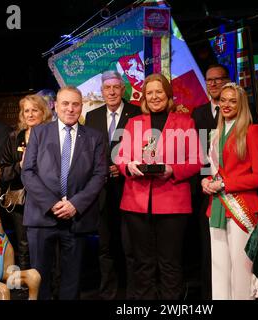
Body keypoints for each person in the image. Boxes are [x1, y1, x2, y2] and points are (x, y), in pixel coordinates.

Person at [116, 73, 202, 300]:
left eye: (159, 92)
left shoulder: (185, 122)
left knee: (170, 263)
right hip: (136, 204)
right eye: (150, 92)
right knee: (142, 264)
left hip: (173, 204)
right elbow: (121, 157)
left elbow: (196, 161)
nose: (154, 97)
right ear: (144, 96)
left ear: (168, 94)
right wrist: (129, 166)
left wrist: (173, 169)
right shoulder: (133, 123)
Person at [21, 86, 107, 300]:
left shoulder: (95, 137)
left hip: (76, 218)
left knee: (72, 280)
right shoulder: (39, 132)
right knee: (39, 279)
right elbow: (28, 172)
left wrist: (75, 204)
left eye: (75, 104)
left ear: (81, 106)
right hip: (41, 216)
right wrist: (52, 204)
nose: (70, 109)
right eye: (65, 104)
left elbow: (99, 175)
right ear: (56, 106)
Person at [201, 82, 258, 299]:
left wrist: (224, 184)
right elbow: (217, 172)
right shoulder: (214, 133)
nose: (226, 105)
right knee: (219, 270)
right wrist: (208, 182)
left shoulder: (252, 130)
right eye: (223, 100)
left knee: (241, 272)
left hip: (242, 207)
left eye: (233, 101)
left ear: (242, 105)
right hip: (217, 207)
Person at [85, 70, 141, 300]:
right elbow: (89, 152)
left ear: (123, 89)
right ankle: (108, 292)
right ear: (102, 91)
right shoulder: (92, 116)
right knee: (105, 246)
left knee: (131, 246)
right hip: (103, 190)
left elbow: (143, 147)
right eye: (107, 88)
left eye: (115, 87)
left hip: (130, 187)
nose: (111, 92)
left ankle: (133, 293)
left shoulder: (136, 113)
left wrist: (123, 166)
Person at [191, 64, 230, 299]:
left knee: (233, 251)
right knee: (209, 250)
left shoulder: (246, 110)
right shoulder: (198, 113)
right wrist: (206, 180)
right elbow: (195, 152)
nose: (213, 84)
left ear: (228, 81)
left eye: (219, 79)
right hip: (206, 193)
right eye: (209, 80)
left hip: (236, 193)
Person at [0, 94, 52, 270]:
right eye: (26, 111)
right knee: (23, 243)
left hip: (47, 199)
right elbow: (2, 171)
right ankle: (25, 283)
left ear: (43, 112)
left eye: (34, 110)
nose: (30, 114)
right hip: (20, 200)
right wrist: (20, 166)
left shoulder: (53, 135)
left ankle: (49, 284)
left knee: (47, 243)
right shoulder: (14, 137)